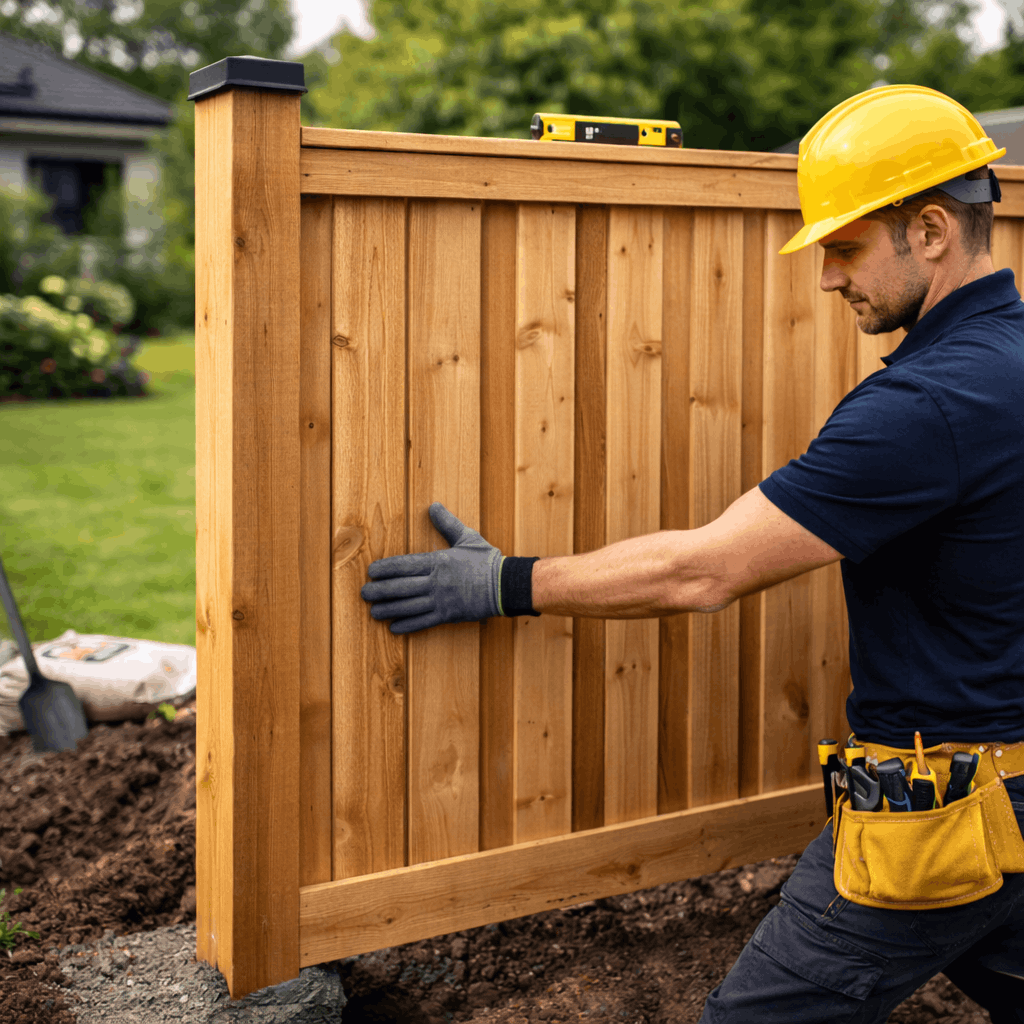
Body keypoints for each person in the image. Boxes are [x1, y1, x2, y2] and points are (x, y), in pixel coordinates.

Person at [361, 84, 1024, 1023]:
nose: (828, 278)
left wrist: (505, 582)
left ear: (928, 230)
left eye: (842, 247)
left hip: (940, 823)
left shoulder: (925, 407)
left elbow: (702, 570)